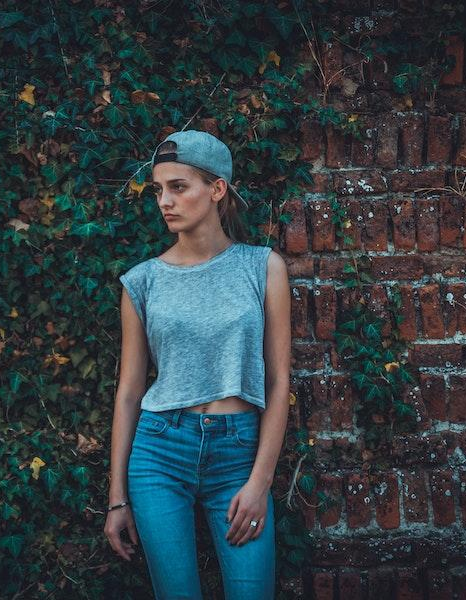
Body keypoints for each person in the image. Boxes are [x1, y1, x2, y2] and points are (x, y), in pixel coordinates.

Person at [103, 129, 292, 599]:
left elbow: (277, 379)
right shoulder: (142, 282)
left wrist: (260, 482)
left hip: (238, 455)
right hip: (160, 455)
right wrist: (116, 497)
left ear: (217, 188)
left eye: (178, 187)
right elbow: (129, 392)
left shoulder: (262, 267)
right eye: (158, 189)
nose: (165, 201)